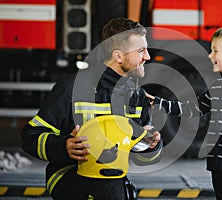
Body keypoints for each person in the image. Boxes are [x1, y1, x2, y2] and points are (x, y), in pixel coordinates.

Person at [21, 18, 162, 200]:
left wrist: (152, 144)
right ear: (118, 56)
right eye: (141, 50)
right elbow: (30, 137)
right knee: (111, 192)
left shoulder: (137, 96)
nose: (148, 57)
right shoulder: (71, 89)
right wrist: (64, 147)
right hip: (67, 174)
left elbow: (141, 158)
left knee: (121, 192)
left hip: (112, 176)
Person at [148, 27, 222, 200]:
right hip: (218, 165)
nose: (210, 56)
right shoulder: (217, 86)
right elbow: (192, 109)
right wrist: (160, 102)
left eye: (215, 51)